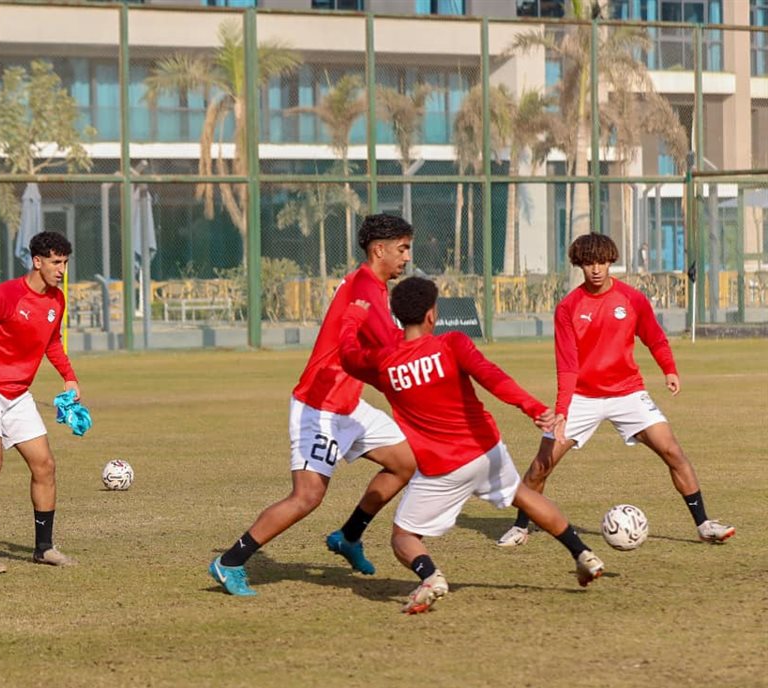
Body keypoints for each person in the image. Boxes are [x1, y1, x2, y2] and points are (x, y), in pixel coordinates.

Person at [341, 276, 605, 614]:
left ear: (398, 316)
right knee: (523, 496)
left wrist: (353, 318)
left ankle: (430, 577)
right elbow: (492, 377)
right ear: (432, 315)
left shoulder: (383, 363)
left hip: (441, 468)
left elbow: (348, 355)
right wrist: (533, 408)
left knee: (402, 536)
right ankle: (583, 554)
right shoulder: (452, 343)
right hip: (485, 451)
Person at [208, 214, 417, 597]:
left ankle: (348, 536)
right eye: (402, 249)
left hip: (348, 404)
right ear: (379, 250)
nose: (407, 257)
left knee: (405, 462)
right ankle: (230, 561)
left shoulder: (373, 286)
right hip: (319, 406)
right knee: (307, 497)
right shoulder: (365, 288)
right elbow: (388, 348)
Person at [497, 232, 734, 548]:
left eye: (601, 262)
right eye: (588, 263)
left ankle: (704, 524)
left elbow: (654, 337)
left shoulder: (632, 299)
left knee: (672, 451)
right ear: (579, 265)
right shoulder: (568, 307)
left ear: (611, 261)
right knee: (543, 464)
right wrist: (563, 410)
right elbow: (567, 365)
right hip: (582, 397)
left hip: (628, 393)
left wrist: (669, 369)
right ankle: (520, 527)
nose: (595, 269)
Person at [0, 230, 80, 573]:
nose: (62, 270)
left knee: (45, 465)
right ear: (37, 261)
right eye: (56, 262)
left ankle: (44, 548)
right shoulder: (3, 296)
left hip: (17, 393)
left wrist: (69, 376)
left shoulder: (56, 300)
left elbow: (51, 342)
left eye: (65, 263)